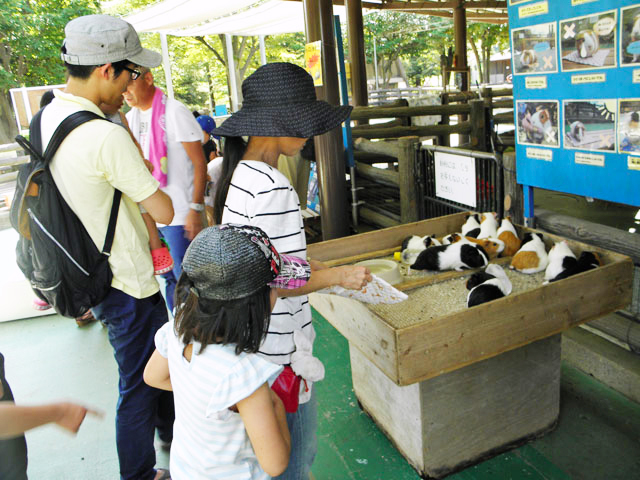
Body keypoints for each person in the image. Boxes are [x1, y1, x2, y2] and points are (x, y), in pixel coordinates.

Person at [212, 62, 372, 480]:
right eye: (304, 120)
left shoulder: (241, 174)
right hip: (281, 348)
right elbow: (277, 279)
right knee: (293, 460)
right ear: (277, 123)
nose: (311, 131)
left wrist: (317, 265)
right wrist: (341, 278)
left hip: (253, 338)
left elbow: (266, 258)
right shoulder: (273, 186)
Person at [45, 14, 176, 480]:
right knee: (139, 383)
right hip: (126, 280)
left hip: (87, 271)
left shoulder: (49, 115)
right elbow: (162, 209)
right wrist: (139, 164)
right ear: (106, 70)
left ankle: (170, 433)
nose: (132, 83)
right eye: (130, 72)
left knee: (162, 356)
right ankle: (139, 474)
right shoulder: (104, 134)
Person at [144, 224, 310, 479]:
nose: (278, 291)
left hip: (187, 471)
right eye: (274, 285)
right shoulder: (243, 374)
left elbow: (153, 377)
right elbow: (275, 463)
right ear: (254, 302)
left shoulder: (176, 331)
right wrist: (274, 404)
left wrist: (204, 394)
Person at [125, 66, 207, 313]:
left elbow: (199, 162)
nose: (125, 91)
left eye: (130, 82)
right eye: (122, 85)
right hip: (150, 216)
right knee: (168, 278)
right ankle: (181, 330)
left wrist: (196, 208)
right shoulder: (129, 119)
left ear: (148, 78)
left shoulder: (175, 112)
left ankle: (200, 332)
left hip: (181, 213)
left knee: (189, 278)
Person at [100, 96, 174, 276]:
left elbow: (133, 141)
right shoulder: (95, 125)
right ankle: (155, 244)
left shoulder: (118, 116)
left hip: (131, 171)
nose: (123, 96)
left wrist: (140, 160)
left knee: (144, 202)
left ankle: (155, 245)